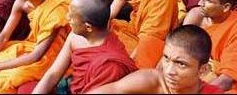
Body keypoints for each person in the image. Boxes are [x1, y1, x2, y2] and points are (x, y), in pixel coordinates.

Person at [32, 0, 137, 94]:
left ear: (88, 27)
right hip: (70, 84)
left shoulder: (111, 65)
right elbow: (53, 73)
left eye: (72, 16)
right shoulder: (75, 35)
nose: (67, 17)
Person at [88, 25, 223, 94]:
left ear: (203, 70)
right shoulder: (151, 80)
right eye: (166, 58)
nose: (169, 71)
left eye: (181, 64)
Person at [111, 0, 178, 68]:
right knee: (104, 25)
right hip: (134, 31)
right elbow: (109, 15)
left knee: (145, 46)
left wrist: (129, 63)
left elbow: (151, 36)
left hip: (151, 42)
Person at [196, 0, 237, 93]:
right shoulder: (199, 18)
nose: (200, 3)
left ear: (226, 7)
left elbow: (227, 80)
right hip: (206, 77)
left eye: (207, 1)